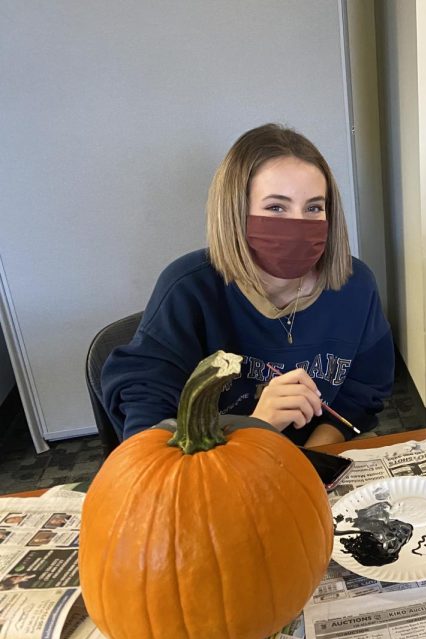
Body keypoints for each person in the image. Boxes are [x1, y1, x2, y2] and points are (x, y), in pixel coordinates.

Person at [102, 124, 394, 447]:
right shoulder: (187, 291)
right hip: (222, 466)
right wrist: (257, 426)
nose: (298, 224)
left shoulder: (356, 286)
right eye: (276, 208)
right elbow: (149, 435)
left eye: (313, 208)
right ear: (236, 212)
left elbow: (362, 394)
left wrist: (314, 455)